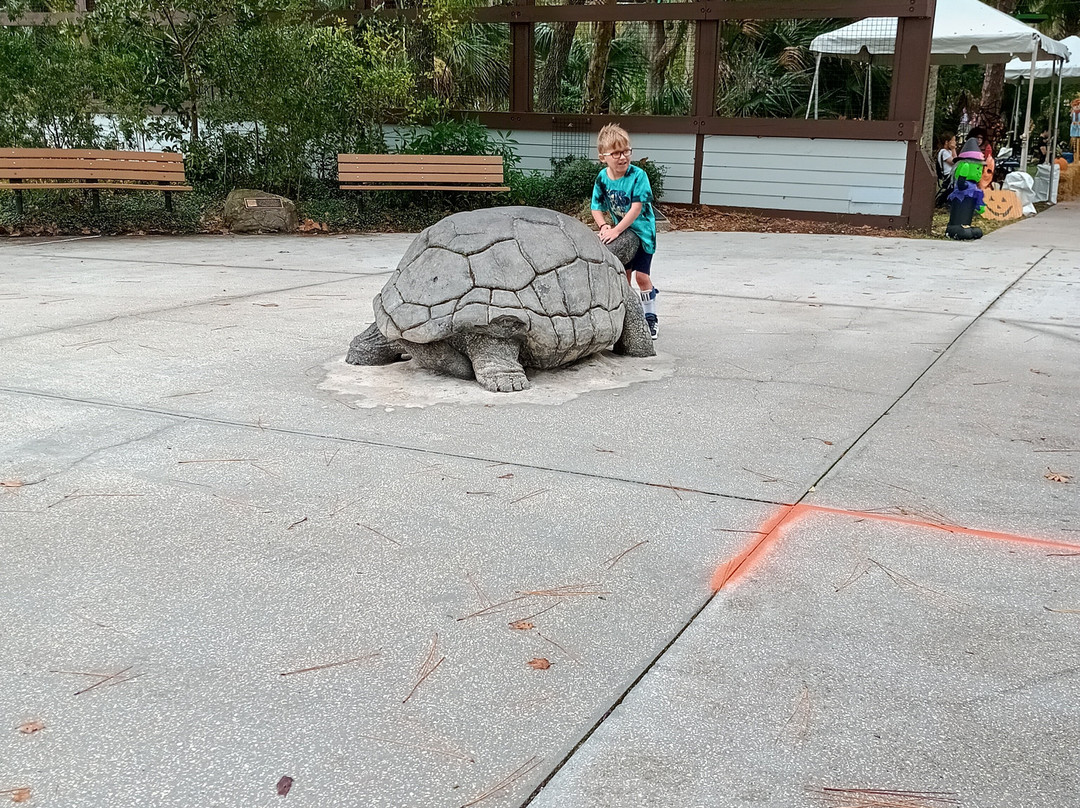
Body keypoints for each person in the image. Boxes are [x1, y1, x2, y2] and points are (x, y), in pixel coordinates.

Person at [591, 123, 659, 340]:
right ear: (603, 157)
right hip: (621, 231)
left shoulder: (638, 176)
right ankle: (627, 317)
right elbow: (596, 207)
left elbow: (636, 208)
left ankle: (650, 318)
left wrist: (617, 230)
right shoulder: (602, 178)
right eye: (616, 153)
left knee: (641, 277)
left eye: (626, 151)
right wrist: (604, 226)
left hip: (642, 232)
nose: (623, 157)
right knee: (624, 277)